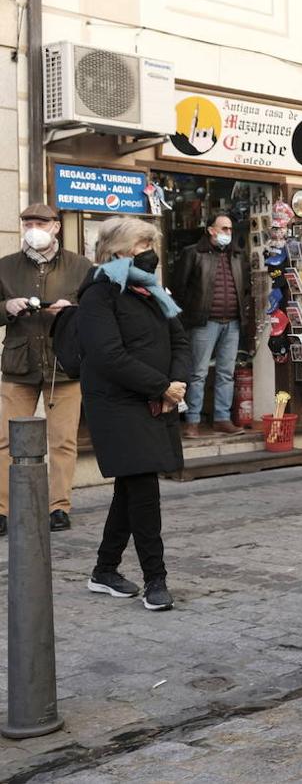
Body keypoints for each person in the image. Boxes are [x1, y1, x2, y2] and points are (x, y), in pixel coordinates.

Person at [80, 217, 190, 612]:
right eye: (142, 242)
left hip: (156, 400)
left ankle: (104, 570)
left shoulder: (152, 290)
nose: (149, 249)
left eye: (151, 241)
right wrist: (160, 386)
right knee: (143, 487)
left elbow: (180, 341)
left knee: (130, 488)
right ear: (117, 249)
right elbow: (108, 355)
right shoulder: (99, 293)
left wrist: (175, 384)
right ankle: (155, 580)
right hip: (116, 404)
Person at [0, 203, 92, 536]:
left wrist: (72, 311)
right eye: (28, 222)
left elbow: (97, 311)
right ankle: (3, 509)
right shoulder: (6, 267)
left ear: (56, 226)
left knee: (63, 441)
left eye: (40, 222)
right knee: (6, 440)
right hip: (19, 363)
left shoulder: (80, 266)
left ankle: (59, 507)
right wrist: (7, 307)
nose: (33, 228)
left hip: (63, 365)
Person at [172, 213, 252, 438]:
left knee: (226, 373)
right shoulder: (193, 253)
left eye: (230, 229)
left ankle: (221, 418)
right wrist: (188, 315)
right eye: (224, 228)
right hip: (203, 322)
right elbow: (179, 287)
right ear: (211, 230)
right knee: (198, 373)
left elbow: (245, 289)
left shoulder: (237, 256)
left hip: (232, 322)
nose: (228, 233)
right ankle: (193, 421)